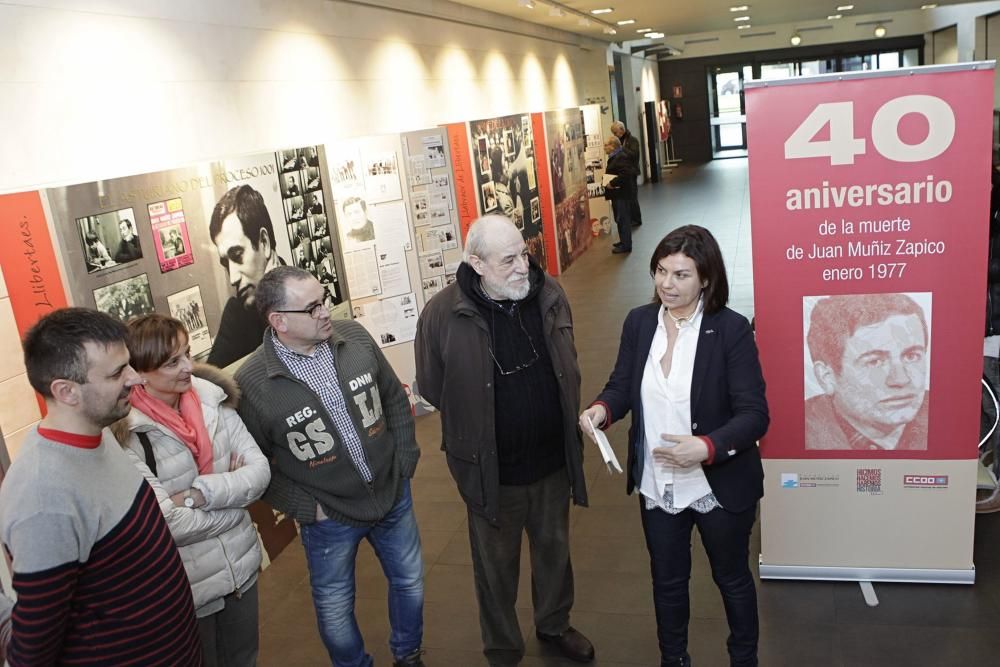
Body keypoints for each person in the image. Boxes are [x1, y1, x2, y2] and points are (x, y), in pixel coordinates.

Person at [580, 225, 769, 667]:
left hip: (717, 485)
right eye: (661, 271)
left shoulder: (730, 330)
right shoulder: (640, 322)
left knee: (732, 579)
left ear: (706, 278)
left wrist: (705, 447)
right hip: (658, 483)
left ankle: (744, 659)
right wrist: (601, 410)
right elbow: (622, 385)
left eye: (681, 275)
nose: (667, 283)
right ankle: (673, 659)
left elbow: (754, 415)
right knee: (667, 581)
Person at [415, 215, 594, 666]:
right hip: (492, 473)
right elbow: (433, 387)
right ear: (476, 262)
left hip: (553, 460)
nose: (522, 267)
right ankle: (503, 648)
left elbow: (567, 363)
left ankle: (554, 623)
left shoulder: (548, 295)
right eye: (508, 259)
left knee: (555, 551)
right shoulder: (442, 314)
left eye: (524, 253)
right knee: (495, 569)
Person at [235, 266, 425, 667]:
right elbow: (255, 463)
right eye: (313, 307)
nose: (326, 311)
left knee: (410, 583)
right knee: (336, 609)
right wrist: (307, 509)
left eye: (325, 299)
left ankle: (408, 654)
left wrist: (405, 457)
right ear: (279, 321)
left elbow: (392, 396)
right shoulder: (252, 381)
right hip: (329, 516)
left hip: (392, 494)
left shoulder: (353, 337)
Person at [0, 308, 202, 665]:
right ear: (66, 392)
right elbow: (32, 652)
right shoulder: (45, 498)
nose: (136, 379)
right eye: (116, 373)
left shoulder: (101, 435)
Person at [111, 314, 270, 666]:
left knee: (246, 659)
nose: (188, 367)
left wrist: (197, 495)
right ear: (139, 371)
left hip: (240, 568)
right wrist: (235, 502)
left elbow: (259, 473)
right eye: (172, 362)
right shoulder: (127, 434)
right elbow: (167, 524)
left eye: (187, 353)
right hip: (184, 588)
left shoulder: (212, 399)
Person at [805, 293, 929, 451]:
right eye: (874, 362)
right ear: (827, 377)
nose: (901, 379)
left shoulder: (947, 418)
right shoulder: (794, 433)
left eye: (911, 356)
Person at [208, 184, 284, 368]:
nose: (233, 278)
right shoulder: (237, 316)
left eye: (237, 255)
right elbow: (210, 381)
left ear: (264, 243)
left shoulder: (307, 288)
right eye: (226, 263)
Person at [604, 135, 638, 255]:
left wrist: (612, 183)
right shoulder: (616, 156)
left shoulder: (621, 157)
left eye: (606, 145)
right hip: (617, 194)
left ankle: (626, 245)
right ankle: (623, 241)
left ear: (613, 146)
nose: (604, 148)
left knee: (623, 219)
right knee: (619, 218)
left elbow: (625, 175)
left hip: (621, 193)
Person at [611, 120, 642, 227]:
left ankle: (637, 219)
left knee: (632, 197)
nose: (614, 135)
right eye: (613, 133)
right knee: (627, 198)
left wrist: (621, 149)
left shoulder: (633, 140)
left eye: (615, 132)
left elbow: (634, 155)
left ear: (621, 129)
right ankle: (630, 219)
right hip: (623, 172)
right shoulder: (619, 140)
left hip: (631, 172)